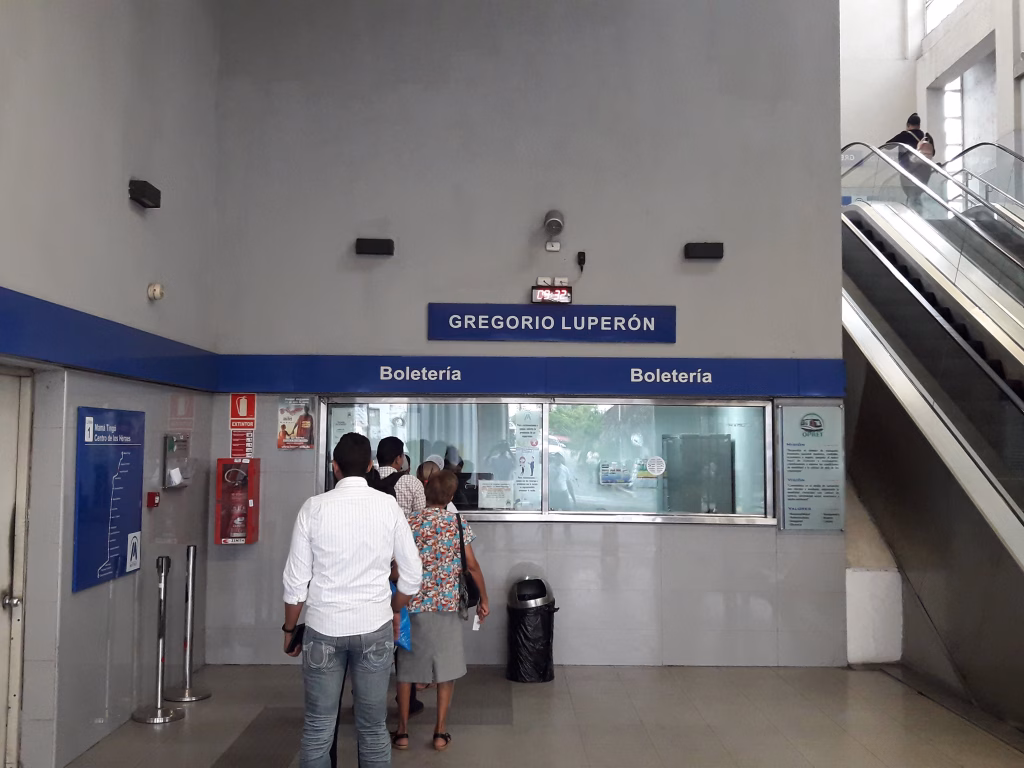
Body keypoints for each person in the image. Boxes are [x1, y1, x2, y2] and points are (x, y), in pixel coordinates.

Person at [282, 432, 423, 768]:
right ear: (370, 466)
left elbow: (295, 581)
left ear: (335, 467)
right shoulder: (387, 506)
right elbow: (412, 573)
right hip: (374, 626)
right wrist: (393, 608)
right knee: (373, 728)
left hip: (323, 628)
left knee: (318, 727)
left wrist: (289, 630)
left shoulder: (314, 508)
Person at [392, 471, 489, 753]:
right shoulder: (457, 522)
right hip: (447, 604)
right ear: (450, 497)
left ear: (426, 493)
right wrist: (484, 598)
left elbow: (396, 567)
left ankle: (402, 732)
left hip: (413, 604)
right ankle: (439, 732)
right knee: (447, 669)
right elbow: (472, 565)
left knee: (406, 669)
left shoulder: (410, 522)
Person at [888, 113, 936, 213]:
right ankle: (918, 214)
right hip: (925, 171)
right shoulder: (925, 137)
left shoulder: (904, 135)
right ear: (919, 125)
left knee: (911, 195)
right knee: (916, 195)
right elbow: (933, 153)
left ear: (908, 125)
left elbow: (888, 146)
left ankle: (913, 216)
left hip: (908, 170)